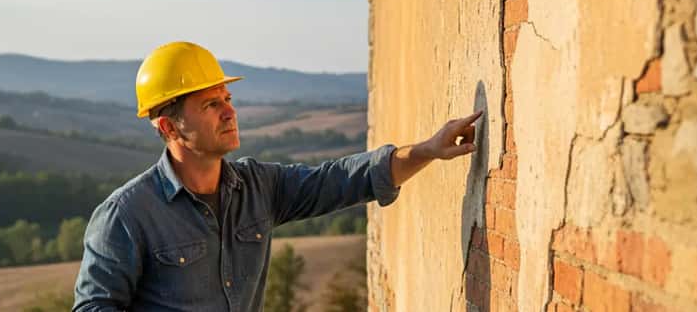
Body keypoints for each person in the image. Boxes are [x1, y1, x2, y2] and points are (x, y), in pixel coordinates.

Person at [73, 41, 481, 311]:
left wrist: (427, 150)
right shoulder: (126, 216)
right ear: (168, 127)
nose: (229, 111)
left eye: (227, 99)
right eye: (211, 104)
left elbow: (343, 179)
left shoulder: (258, 188)